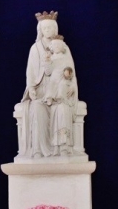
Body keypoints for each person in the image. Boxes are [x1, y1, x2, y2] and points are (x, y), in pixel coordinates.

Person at [19, 12, 77, 158]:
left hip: (59, 90)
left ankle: (63, 147)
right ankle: (39, 149)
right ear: (40, 30)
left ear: (55, 29)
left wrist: (71, 88)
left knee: (62, 109)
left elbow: (71, 71)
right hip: (40, 90)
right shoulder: (35, 48)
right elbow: (30, 72)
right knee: (37, 108)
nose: (48, 31)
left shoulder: (64, 48)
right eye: (45, 29)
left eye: (50, 28)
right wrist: (31, 88)